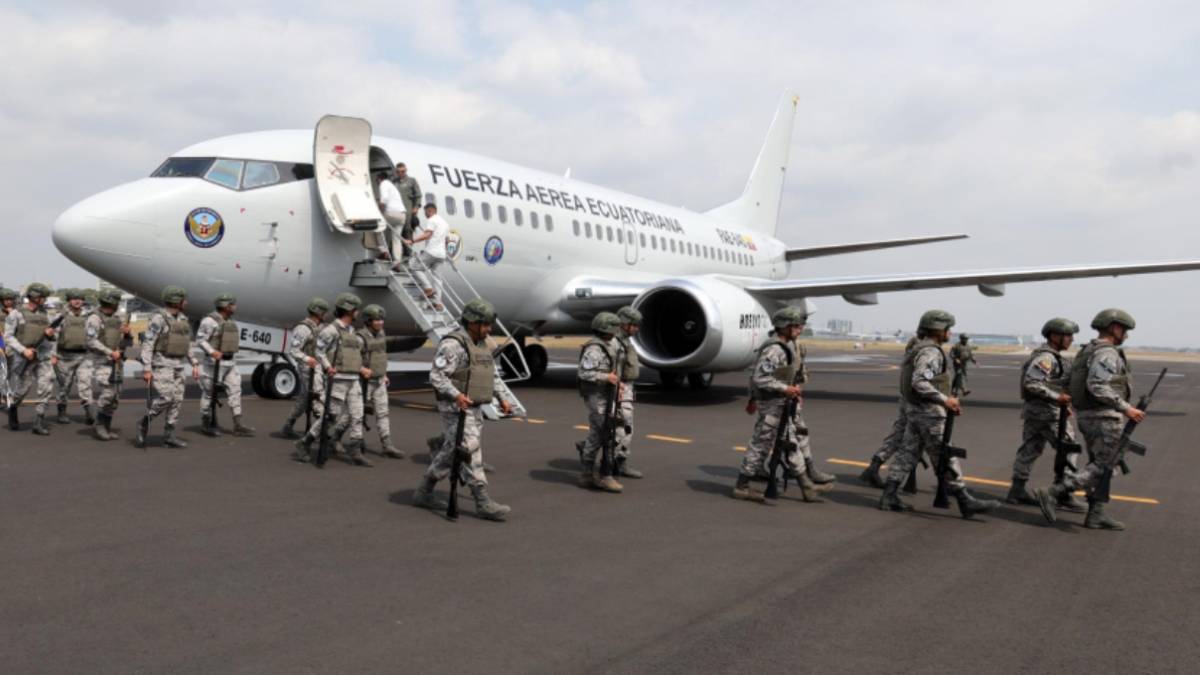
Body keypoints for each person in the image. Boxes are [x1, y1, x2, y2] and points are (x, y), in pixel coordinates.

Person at [877, 310, 1000, 518]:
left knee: (907, 453)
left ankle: (889, 495)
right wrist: (945, 400)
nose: (950, 333)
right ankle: (964, 500)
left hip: (917, 411)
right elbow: (919, 382)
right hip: (929, 414)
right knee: (946, 455)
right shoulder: (931, 352)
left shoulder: (921, 348)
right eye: (947, 329)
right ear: (938, 329)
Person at [1035, 309, 1143, 531]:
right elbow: (1097, 385)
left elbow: (1068, 381)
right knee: (1104, 466)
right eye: (1124, 330)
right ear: (1114, 328)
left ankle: (1096, 513)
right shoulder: (1107, 353)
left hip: (1089, 416)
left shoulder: (1087, 351)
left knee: (1099, 464)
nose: (1126, 335)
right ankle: (1055, 492)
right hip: (1103, 417)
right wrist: (1127, 408)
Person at [413, 298, 512, 521]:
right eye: (485, 324)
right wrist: (456, 395)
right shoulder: (453, 344)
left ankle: (424, 490)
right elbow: (437, 377)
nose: (488, 329)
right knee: (470, 450)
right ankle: (482, 500)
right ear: (472, 323)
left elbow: (491, 375)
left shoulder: (481, 345)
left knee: (452, 450)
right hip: (454, 407)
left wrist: (503, 398)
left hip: (475, 406)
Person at [732, 306, 834, 503]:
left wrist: (790, 390)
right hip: (771, 404)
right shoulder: (774, 349)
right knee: (761, 445)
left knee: (791, 443)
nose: (800, 329)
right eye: (795, 326)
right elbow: (760, 378)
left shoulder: (787, 346)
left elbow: (783, 375)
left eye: (800, 325)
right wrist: (785, 389)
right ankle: (741, 486)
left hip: (781, 403)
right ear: (784, 326)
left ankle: (807, 485)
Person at [1006, 318, 1083, 511]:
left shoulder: (1051, 356)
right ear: (1055, 336)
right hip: (1048, 414)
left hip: (1037, 412)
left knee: (1030, 450)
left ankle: (1017, 490)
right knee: (1069, 449)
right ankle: (1063, 493)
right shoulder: (1046, 358)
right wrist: (1058, 398)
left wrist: (1063, 402)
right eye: (1068, 335)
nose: (1071, 339)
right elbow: (1032, 383)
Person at [295, 293, 372, 467]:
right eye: (356, 309)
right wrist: (328, 367)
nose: (358, 312)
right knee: (330, 416)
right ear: (349, 310)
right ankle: (305, 442)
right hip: (338, 380)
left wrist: (361, 369)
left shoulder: (352, 331)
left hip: (353, 379)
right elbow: (319, 351)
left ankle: (356, 451)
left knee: (358, 414)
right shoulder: (331, 330)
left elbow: (352, 356)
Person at [136, 285, 200, 449]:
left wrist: (194, 363)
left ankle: (169, 436)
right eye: (183, 299)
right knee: (167, 397)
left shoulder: (183, 320)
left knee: (177, 401)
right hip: (162, 364)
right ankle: (145, 421)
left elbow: (187, 344)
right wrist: (147, 368)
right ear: (176, 300)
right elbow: (148, 343)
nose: (186, 302)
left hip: (178, 365)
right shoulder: (159, 318)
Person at [859, 336, 920, 488]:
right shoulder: (918, 363)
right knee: (921, 444)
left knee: (896, 437)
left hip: (906, 402)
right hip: (916, 406)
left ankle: (874, 467)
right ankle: (951, 484)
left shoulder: (908, 361)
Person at [575, 312, 626, 493]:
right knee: (605, 432)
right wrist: (607, 377)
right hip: (597, 397)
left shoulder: (608, 345)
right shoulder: (594, 349)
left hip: (607, 394)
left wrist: (616, 383)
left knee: (600, 433)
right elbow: (584, 373)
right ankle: (604, 475)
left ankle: (588, 474)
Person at [195, 292, 254, 437]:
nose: (235, 306)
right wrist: (212, 352)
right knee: (209, 394)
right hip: (213, 364)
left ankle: (238, 425)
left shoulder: (230, 320)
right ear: (226, 306)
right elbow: (200, 340)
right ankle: (206, 422)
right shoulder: (209, 321)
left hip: (230, 363)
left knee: (235, 390)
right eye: (232, 304)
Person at [5, 282, 58, 434]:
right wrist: (23, 350)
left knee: (46, 386)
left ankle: (39, 421)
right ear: (33, 296)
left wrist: (51, 342)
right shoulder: (16, 314)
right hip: (24, 356)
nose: (44, 299)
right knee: (23, 388)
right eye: (42, 296)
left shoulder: (47, 314)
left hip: (43, 355)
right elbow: (8, 337)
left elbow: (54, 338)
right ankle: (13, 407)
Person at [358, 304, 403, 458]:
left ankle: (387, 444)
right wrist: (361, 369)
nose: (380, 322)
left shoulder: (381, 334)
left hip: (379, 381)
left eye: (382, 319)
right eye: (377, 320)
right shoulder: (360, 337)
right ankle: (336, 439)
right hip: (364, 383)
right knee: (354, 415)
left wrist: (383, 374)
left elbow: (381, 355)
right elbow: (350, 359)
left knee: (383, 412)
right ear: (368, 321)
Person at [280, 298, 329, 439]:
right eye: (324, 311)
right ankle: (323, 431)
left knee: (304, 397)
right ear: (319, 312)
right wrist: (307, 359)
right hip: (308, 368)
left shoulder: (320, 326)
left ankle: (288, 425)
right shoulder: (303, 328)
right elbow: (294, 350)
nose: (326, 314)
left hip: (318, 366)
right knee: (318, 397)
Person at [86, 289, 129, 441]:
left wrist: (126, 333)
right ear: (111, 303)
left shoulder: (116, 318)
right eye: (117, 302)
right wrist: (109, 352)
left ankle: (107, 426)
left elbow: (121, 340)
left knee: (115, 396)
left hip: (116, 362)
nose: (118, 305)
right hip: (102, 362)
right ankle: (99, 424)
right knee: (108, 393)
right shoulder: (94, 318)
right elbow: (91, 341)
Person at [52, 288, 95, 425]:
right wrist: (53, 355)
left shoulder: (90, 316)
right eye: (74, 298)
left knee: (85, 384)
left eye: (80, 298)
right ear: (69, 300)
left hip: (84, 356)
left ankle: (89, 412)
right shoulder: (61, 316)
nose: (77, 301)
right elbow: (54, 337)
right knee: (64, 386)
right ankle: (62, 412)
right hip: (65, 356)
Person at [613, 306, 644, 479]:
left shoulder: (625, 341)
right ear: (625, 324)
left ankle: (619, 461)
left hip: (626, 388)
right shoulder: (616, 342)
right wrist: (619, 388)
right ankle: (617, 463)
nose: (637, 328)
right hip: (620, 389)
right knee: (623, 427)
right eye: (634, 325)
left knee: (623, 427)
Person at [404, 202, 451, 310]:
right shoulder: (445, 223)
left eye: (425, 212)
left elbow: (427, 235)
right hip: (441, 254)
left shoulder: (432, 220)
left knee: (414, 266)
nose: (425, 215)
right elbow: (447, 240)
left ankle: (428, 288)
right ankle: (437, 303)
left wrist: (412, 240)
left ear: (430, 211)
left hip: (431, 252)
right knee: (438, 279)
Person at [391, 162, 422, 261]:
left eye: (403, 171)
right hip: (396, 210)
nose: (400, 173)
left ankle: (408, 253)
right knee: (395, 232)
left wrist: (416, 207)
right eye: (398, 172)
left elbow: (418, 195)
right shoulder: (394, 182)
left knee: (407, 230)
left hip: (408, 209)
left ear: (406, 171)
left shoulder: (411, 181)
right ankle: (396, 254)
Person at [0, 287, 18, 410]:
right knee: (2, 372)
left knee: (9, 373)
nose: (8, 301)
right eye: (6, 299)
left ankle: (6, 394)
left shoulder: (17, 312)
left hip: (14, 347)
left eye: (10, 299)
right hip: (1, 346)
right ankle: (2, 397)